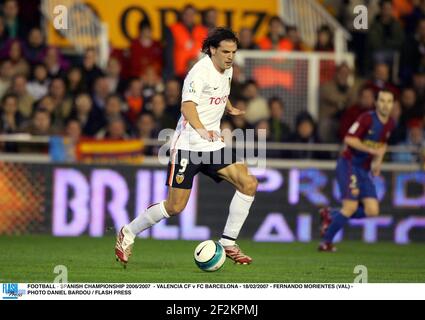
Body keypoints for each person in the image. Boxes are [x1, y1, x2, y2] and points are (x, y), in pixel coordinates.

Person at [115, 27, 258, 266]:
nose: (230, 56)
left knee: (249, 183)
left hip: (212, 146)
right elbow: (187, 108)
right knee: (174, 206)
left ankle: (228, 242)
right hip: (189, 145)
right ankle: (127, 232)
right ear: (212, 50)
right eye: (225, 51)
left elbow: (220, 91)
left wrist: (228, 107)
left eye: (233, 51)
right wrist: (202, 130)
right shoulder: (198, 73)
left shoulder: (228, 68)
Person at [318, 90, 396, 252]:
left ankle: (331, 214)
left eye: (389, 101)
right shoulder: (367, 118)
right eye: (382, 101)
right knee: (350, 207)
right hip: (349, 164)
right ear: (376, 103)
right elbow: (349, 139)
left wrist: (377, 162)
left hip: (364, 169)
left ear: (393, 104)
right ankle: (326, 243)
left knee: (372, 210)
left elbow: (382, 145)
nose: (385, 104)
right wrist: (372, 151)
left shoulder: (390, 123)